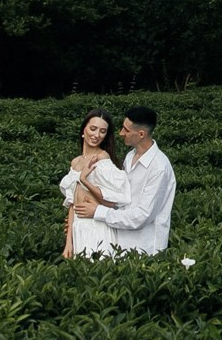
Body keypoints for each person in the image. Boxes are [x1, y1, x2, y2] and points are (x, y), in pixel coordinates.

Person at [72, 105, 175, 256]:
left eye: (126, 130)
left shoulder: (159, 167)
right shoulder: (130, 157)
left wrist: (98, 211)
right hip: (119, 243)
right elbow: (120, 199)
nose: (121, 133)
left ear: (141, 134)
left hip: (144, 249)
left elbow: (142, 216)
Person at [59, 110, 129, 260]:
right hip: (78, 227)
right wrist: (68, 242)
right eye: (93, 128)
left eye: (102, 131)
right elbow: (72, 205)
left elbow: (111, 202)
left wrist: (84, 180)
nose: (96, 135)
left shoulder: (102, 158)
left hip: (96, 226)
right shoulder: (76, 161)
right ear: (84, 129)